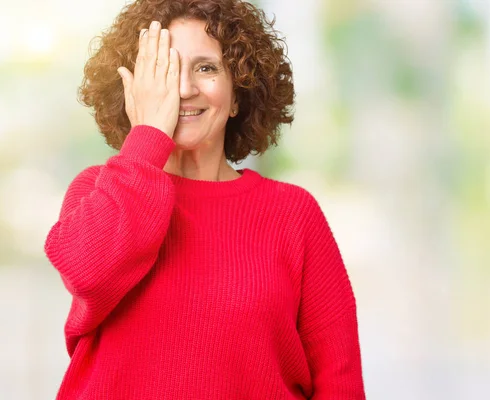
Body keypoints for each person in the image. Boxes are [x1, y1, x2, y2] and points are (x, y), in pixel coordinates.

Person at [44, 0, 365, 398]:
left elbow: (340, 381)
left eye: (206, 68)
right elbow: (87, 275)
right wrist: (147, 135)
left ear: (237, 95)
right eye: (164, 71)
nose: (183, 89)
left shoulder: (293, 213)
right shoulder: (98, 191)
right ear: (134, 91)